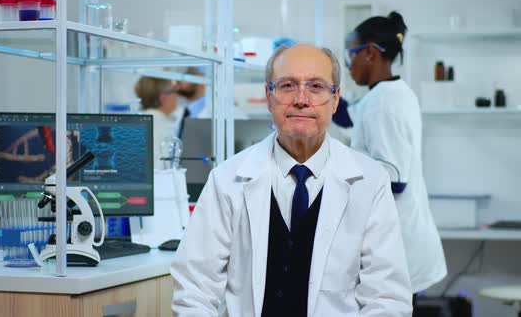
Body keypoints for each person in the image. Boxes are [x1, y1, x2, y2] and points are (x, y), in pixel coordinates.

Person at [171, 44, 412, 316]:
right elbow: (194, 291)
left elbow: (387, 299)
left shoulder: (369, 183)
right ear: (269, 96)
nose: (301, 98)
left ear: (335, 100)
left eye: (316, 87)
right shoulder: (227, 180)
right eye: (287, 85)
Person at [341, 11, 447, 294]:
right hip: (403, 240)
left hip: (398, 243)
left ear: (371, 54)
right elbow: (349, 118)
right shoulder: (390, 93)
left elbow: (394, 178)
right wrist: (318, 88)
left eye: (350, 55)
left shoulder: (383, 102)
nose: (348, 64)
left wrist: (337, 181)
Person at [134, 76, 181, 169]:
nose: (177, 96)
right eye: (175, 91)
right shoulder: (161, 126)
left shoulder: (141, 120)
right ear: (163, 98)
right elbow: (162, 167)